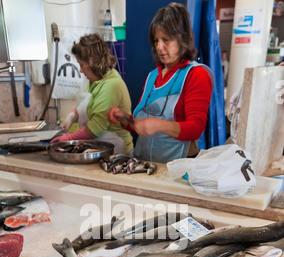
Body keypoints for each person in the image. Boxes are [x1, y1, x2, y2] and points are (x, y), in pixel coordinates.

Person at [108, 2, 213, 164]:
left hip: (177, 167)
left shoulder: (195, 74)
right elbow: (142, 124)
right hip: (146, 164)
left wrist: (158, 125)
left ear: (182, 38)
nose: (159, 47)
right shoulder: (152, 76)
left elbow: (195, 129)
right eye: (156, 40)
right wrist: (126, 120)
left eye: (166, 40)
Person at [51, 33, 133, 155]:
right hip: (98, 147)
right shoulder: (95, 79)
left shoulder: (111, 85)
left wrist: (68, 138)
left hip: (116, 150)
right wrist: (71, 116)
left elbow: (96, 128)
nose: (80, 70)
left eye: (81, 64)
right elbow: (87, 104)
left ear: (92, 61)